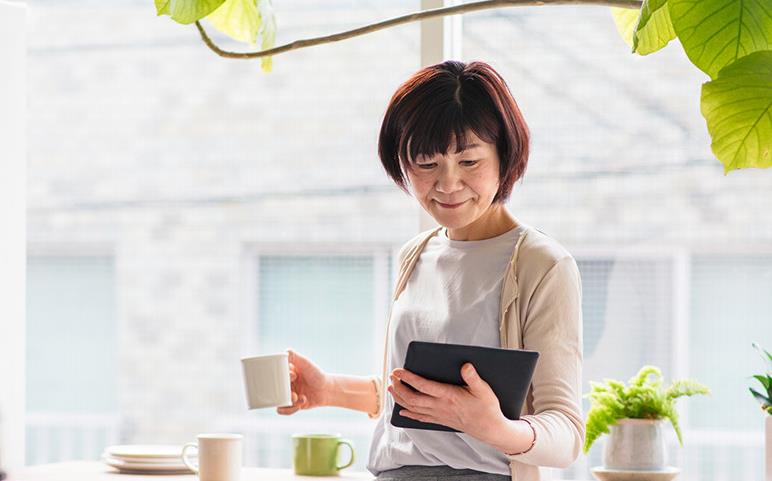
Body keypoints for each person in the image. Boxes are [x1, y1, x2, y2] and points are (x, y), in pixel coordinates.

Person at [277, 60, 584, 481]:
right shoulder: (415, 255)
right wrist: (329, 389)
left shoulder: (541, 265)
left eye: (470, 162)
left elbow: (566, 432)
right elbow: (421, 401)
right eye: (426, 164)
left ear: (504, 156)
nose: (448, 183)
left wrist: (496, 428)